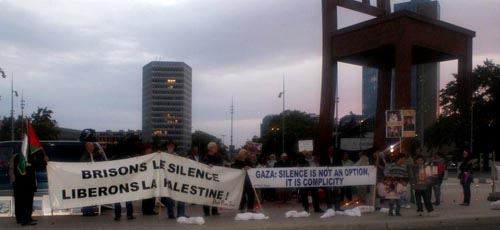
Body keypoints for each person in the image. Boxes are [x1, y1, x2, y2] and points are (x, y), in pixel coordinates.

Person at [9, 147, 47, 226]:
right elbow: (36, 166)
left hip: (19, 182)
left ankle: (21, 218)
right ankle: (25, 220)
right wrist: (44, 161)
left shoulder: (17, 155)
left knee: (20, 201)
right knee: (26, 201)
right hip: (26, 183)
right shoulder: (26, 156)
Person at [161, 140, 186, 219]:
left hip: (176, 179)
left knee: (181, 196)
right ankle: (170, 213)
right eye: (169, 145)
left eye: (172, 146)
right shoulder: (162, 155)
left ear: (174, 147)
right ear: (167, 146)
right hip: (167, 179)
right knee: (169, 198)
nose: (171, 147)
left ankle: (181, 213)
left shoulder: (177, 156)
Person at [80, 142, 105, 216]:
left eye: (93, 146)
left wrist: (99, 154)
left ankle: (89, 210)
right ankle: (87, 211)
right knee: (88, 194)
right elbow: (83, 162)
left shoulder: (91, 154)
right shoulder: (86, 154)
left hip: (90, 178)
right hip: (87, 179)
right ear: (88, 147)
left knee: (90, 194)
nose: (93, 148)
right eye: (92, 146)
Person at [202, 142, 223, 216]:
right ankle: (206, 211)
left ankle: (214, 210)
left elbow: (221, 165)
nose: (216, 149)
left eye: (216, 147)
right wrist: (207, 165)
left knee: (215, 194)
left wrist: (214, 166)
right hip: (207, 178)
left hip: (216, 178)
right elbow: (201, 165)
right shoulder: (205, 156)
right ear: (210, 148)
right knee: (207, 194)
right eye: (214, 147)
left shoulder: (219, 156)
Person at [320, 146, 342, 211]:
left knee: (337, 192)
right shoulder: (324, 158)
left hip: (336, 178)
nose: (331, 150)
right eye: (330, 149)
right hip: (327, 179)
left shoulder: (337, 157)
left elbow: (340, 166)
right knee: (328, 193)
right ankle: (329, 208)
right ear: (328, 150)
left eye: (332, 149)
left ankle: (337, 208)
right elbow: (321, 167)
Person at [140, 144, 158, 215]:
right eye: (148, 150)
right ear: (145, 151)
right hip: (145, 178)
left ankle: (151, 209)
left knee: (152, 194)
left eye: (150, 150)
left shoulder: (153, 156)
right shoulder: (143, 158)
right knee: (145, 195)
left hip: (152, 177)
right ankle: (145, 210)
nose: (149, 151)